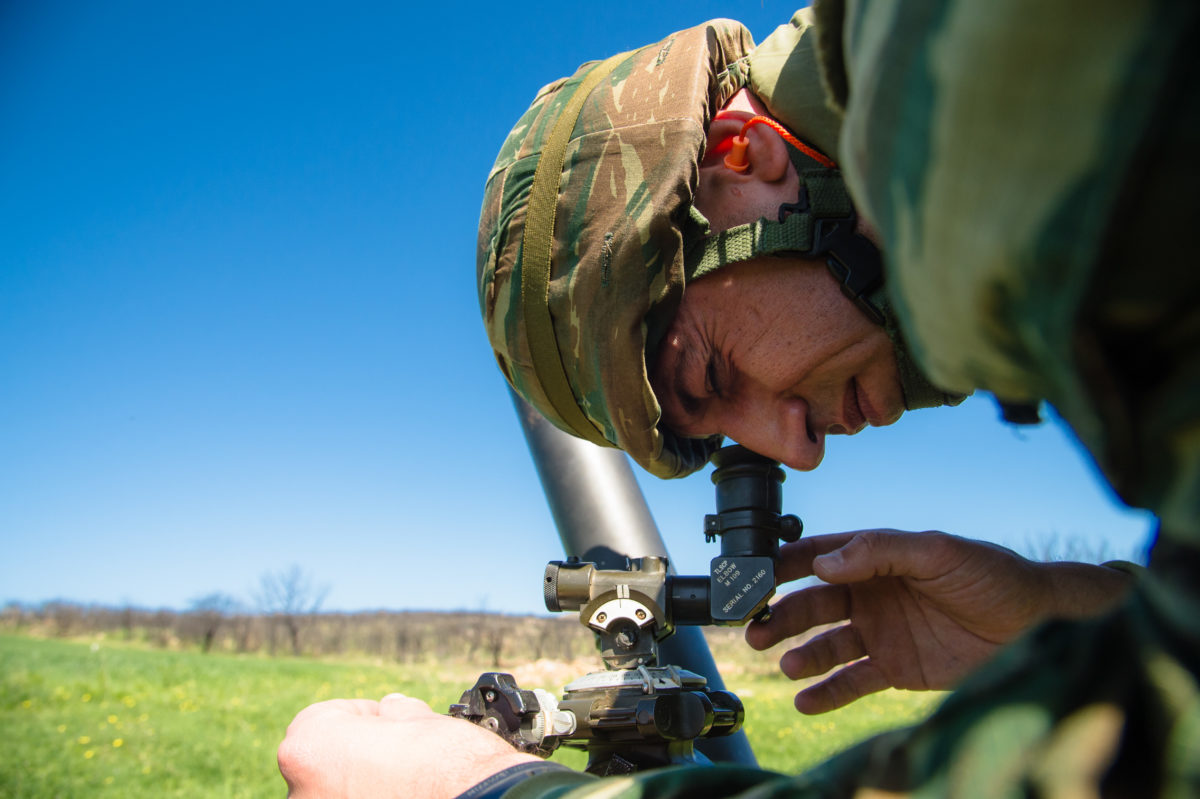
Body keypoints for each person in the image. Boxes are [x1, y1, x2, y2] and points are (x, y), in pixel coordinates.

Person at [279, 2, 1199, 797]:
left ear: (739, 156)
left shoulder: (976, 78)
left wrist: (477, 788)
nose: (799, 451)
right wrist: (1053, 611)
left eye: (714, 374)